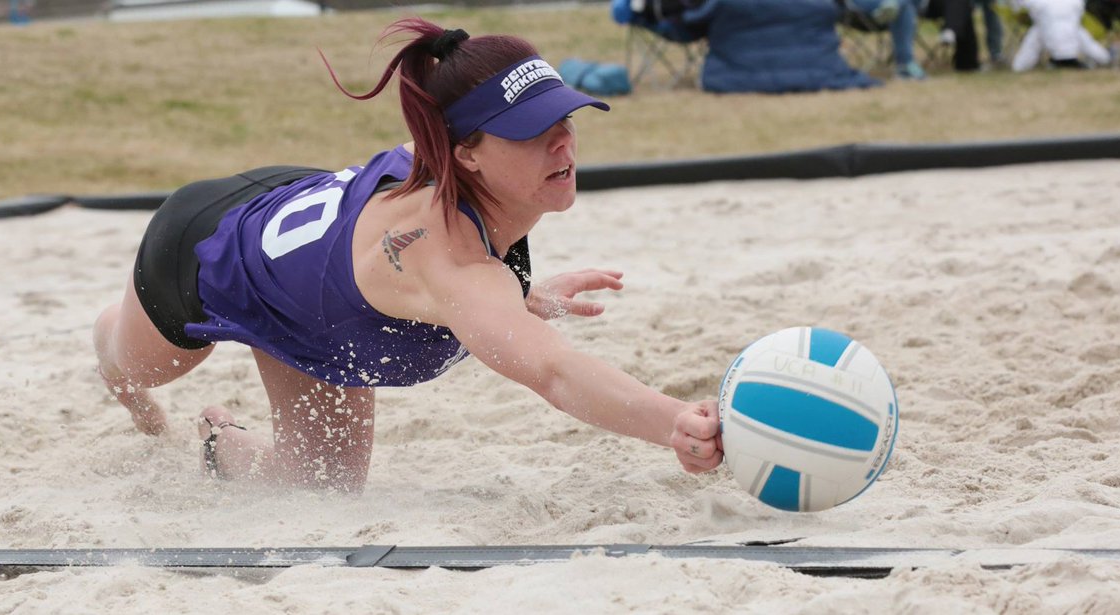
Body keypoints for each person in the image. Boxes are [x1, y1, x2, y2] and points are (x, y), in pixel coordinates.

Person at [92, 18, 724, 493]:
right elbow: (553, 372)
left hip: (306, 290)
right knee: (140, 368)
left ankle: (216, 440)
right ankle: (111, 337)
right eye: (533, 131)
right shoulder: (449, 261)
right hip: (203, 248)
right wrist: (674, 421)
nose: (563, 143)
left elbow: (460, 291)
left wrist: (521, 296)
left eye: (567, 118)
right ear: (466, 153)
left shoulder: (472, 202)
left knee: (321, 489)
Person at [1009, 0, 1112, 70]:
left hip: (1047, 29)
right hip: (1070, 30)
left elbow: (1016, 7)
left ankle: (1020, 66)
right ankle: (1105, 59)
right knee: (1080, 35)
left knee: (1035, 37)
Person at [846, 0, 930, 79]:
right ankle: (904, 64)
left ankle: (894, 4)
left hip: (891, 10)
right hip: (861, 8)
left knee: (904, 6)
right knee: (904, 6)